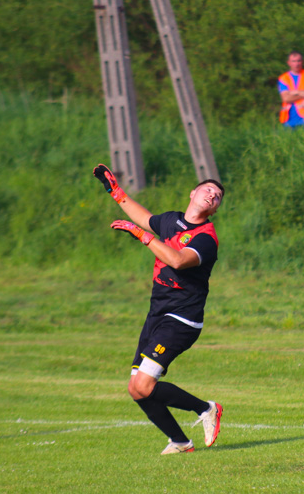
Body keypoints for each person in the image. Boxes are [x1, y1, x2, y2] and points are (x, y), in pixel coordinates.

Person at [92, 164, 225, 455]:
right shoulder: (171, 221)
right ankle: (180, 442)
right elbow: (144, 218)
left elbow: (177, 260)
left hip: (182, 319)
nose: (212, 194)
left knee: (145, 382)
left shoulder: (206, 238)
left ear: (214, 209)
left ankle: (207, 409)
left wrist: (142, 237)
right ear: (193, 193)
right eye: (208, 189)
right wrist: (117, 193)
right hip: (157, 315)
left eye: (217, 196)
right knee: (135, 389)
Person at [277, 51, 304, 129]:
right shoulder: (284, 78)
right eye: (293, 61)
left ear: (302, 62)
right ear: (289, 63)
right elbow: (286, 99)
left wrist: (297, 92)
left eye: (299, 61)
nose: (296, 64)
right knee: (287, 141)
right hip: (288, 119)